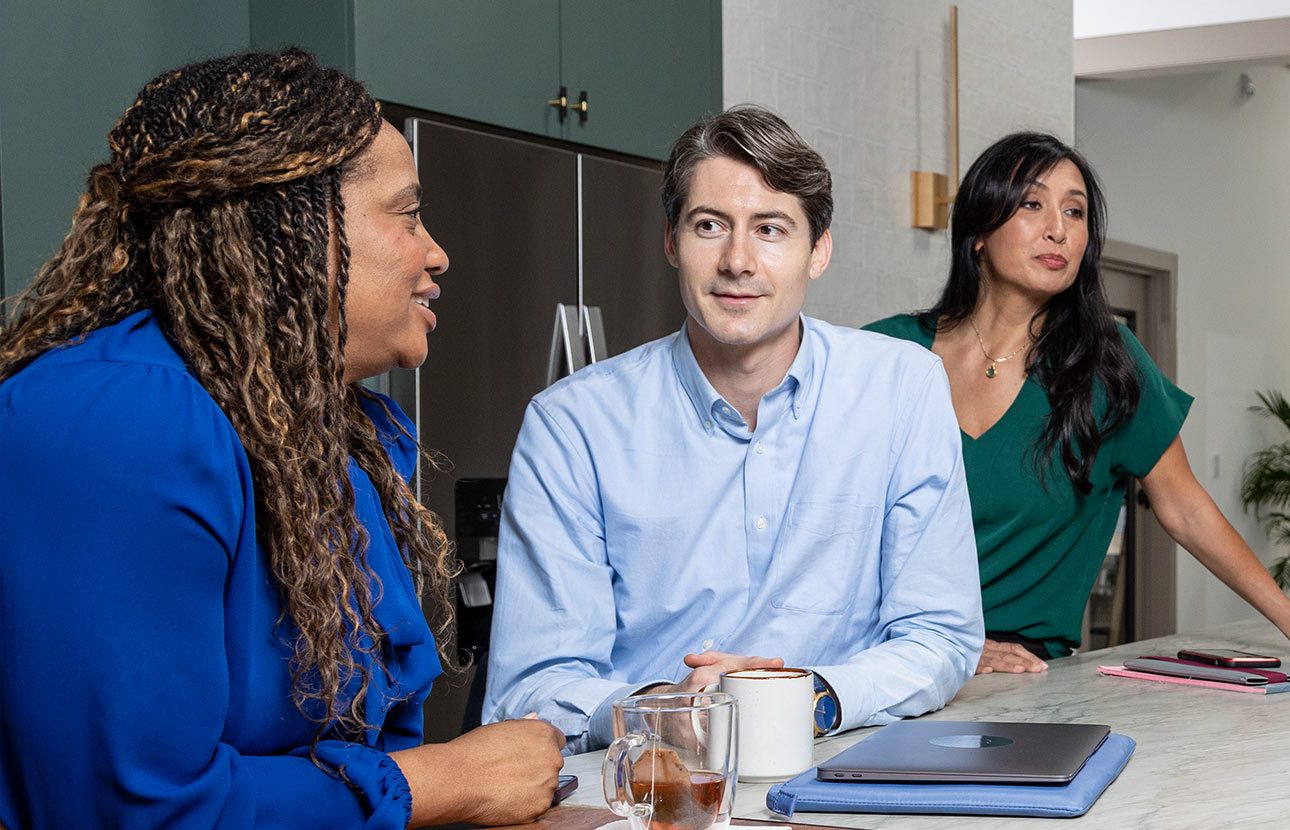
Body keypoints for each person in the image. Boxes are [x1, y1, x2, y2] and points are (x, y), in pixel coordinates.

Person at [0, 49, 564, 829]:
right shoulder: (118, 419)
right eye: (406, 213)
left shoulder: (340, 433)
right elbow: (130, 808)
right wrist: (446, 781)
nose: (437, 252)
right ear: (294, 219)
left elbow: (363, 738)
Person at [483, 105, 984, 754]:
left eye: (771, 229)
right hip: (648, 787)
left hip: (841, 771)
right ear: (671, 241)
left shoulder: (901, 389)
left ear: (819, 250)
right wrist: (664, 709)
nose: (738, 260)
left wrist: (813, 696)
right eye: (710, 225)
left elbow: (940, 636)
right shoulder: (571, 424)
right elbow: (531, 687)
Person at [865, 131, 1290, 673]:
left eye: (1075, 211)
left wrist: (1287, 616)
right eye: (1032, 204)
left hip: (1022, 677)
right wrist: (943, 649)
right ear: (978, 232)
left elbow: (1186, 509)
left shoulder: (1108, 365)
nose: (1058, 229)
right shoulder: (886, 353)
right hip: (879, 659)